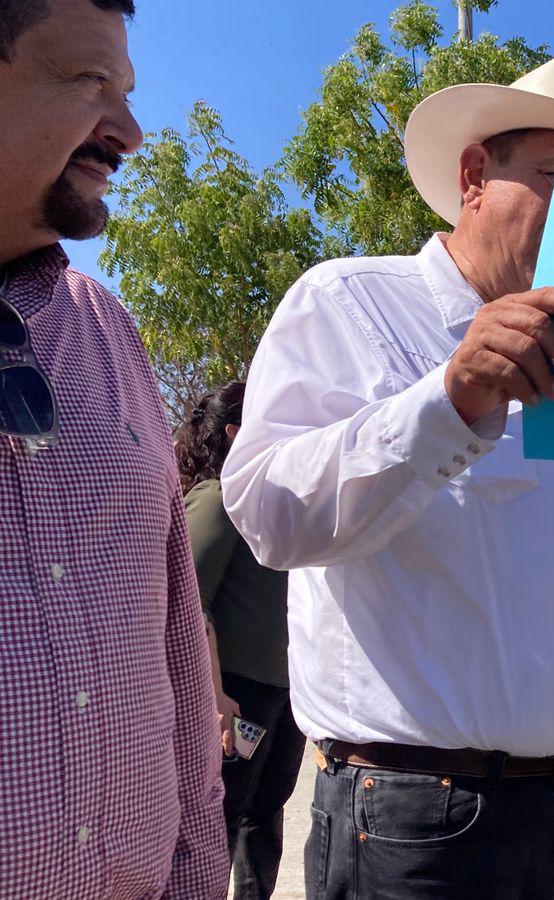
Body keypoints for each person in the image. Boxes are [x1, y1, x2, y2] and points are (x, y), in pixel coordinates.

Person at [221, 52, 554, 898]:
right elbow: (269, 516)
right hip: (421, 823)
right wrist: (449, 399)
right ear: (474, 177)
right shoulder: (348, 302)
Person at [0, 1, 229, 896]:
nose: (128, 133)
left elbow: (175, 637)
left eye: (127, 92)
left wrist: (198, 873)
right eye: (90, 82)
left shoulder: (105, 327)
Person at [178, 382, 299, 900]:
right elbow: (186, 600)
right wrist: (213, 694)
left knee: (265, 814)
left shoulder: (274, 508)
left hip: (284, 695)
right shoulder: (219, 498)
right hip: (235, 695)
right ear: (234, 433)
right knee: (220, 820)